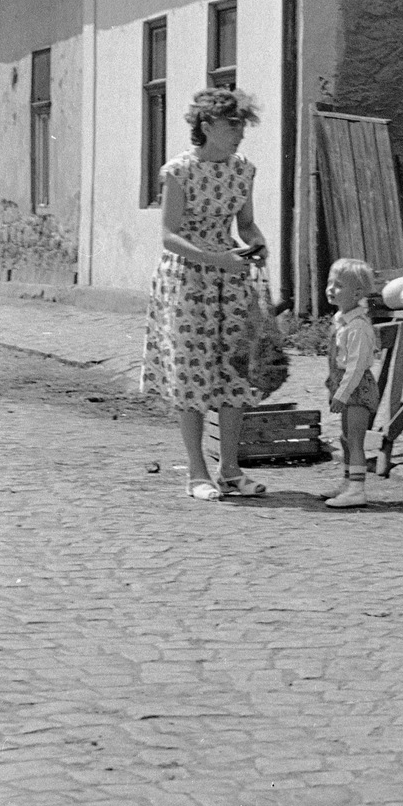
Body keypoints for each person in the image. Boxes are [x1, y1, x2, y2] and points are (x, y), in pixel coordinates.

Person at [141, 87, 269, 500]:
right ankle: (197, 472)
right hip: (186, 281)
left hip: (230, 280)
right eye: (232, 124)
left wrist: (257, 242)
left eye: (242, 125)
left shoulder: (243, 169)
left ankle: (230, 469)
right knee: (192, 373)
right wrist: (218, 261)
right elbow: (170, 237)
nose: (240, 133)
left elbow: (245, 224)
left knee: (235, 373)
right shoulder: (178, 171)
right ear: (207, 125)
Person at [322, 258, 380, 508]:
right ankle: (348, 482)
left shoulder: (357, 327)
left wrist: (342, 395)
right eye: (329, 283)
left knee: (355, 439)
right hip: (345, 388)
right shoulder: (342, 321)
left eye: (338, 285)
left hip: (356, 389)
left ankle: (358, 489)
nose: (331, 290)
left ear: (357, 293)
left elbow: (356, 367)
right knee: (345, 438)